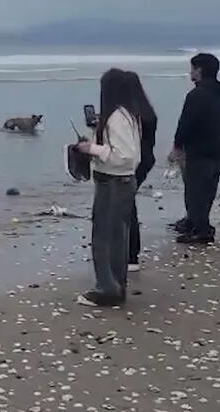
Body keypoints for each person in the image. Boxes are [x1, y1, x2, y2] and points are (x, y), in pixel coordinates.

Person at [76, 69, 141, 307]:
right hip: (120, 182)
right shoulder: (128, 115)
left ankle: (107, 289)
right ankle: (115, 287)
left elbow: (124, 156)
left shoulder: (117, 118)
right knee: (117, 236)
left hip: (114, 181)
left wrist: (91, 149)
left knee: (105, 237)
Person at [169, 53, 220, 244]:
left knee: (195, 190)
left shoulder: (196, 95)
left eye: (193, 68)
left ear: (199, 70)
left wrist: (177, 146)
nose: (190, 72)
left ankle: (202, 230)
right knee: (208, 188)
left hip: (200, 148)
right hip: (218, 145)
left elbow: (186, 123)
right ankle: (195, 222)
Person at [124, 71, 157, 272]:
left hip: (133, 162)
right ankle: (130, 254)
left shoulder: (129, 116)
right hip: (146, 159)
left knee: (126, 205)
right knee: (128, 203)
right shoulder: (147, 111)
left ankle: (131, 254)